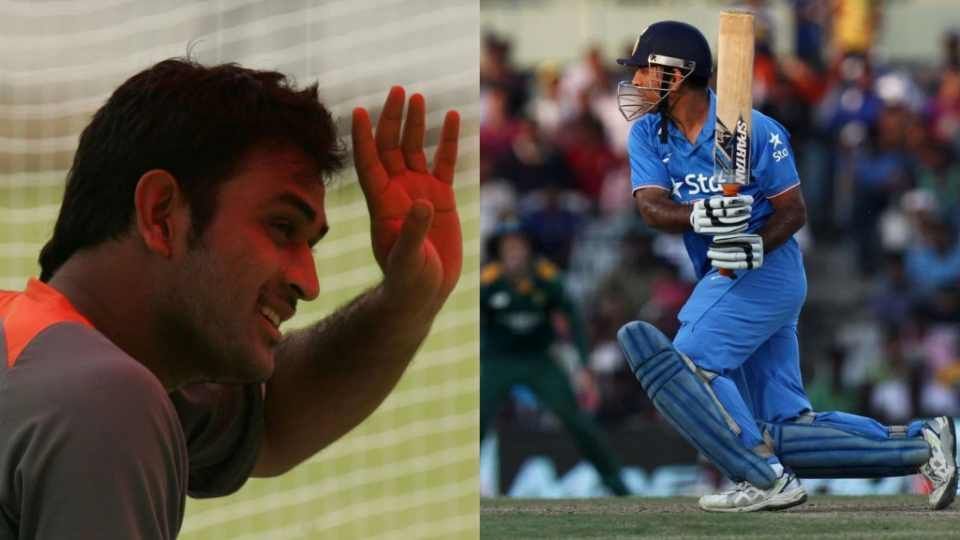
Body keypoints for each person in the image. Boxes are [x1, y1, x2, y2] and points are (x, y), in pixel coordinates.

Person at [0, 58, 461, 538]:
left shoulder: (38, 356)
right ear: (161, 215)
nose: (310, 281)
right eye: (282, 227)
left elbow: (271, 419)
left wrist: (408, 299)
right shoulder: (102, 402)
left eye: (312, 244)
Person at [614, 21, 956, 512]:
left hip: (766, 271)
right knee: (784, 426)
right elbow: (650, 206)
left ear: (678, 72)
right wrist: (699, 213)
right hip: (719, 275)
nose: (638, 81)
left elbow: (792, 211)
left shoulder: (753, 129)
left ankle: (763, 476)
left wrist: (753, 242)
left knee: (688, 363)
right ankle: (926, 443)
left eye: (646, 69)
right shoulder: (648, 133)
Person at [480, 221, 629, 496]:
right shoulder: (487, 282)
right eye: (508, 247)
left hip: (540, 361)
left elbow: (574, 321)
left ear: (530, 249)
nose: (514, 253)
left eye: (519, 246)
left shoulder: (548, 279)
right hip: (496, 360)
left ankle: (617, 485)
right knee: (476, 419)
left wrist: (583, 366)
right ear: (499, 252)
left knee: (576, 419)